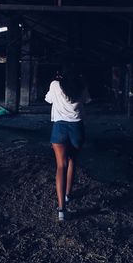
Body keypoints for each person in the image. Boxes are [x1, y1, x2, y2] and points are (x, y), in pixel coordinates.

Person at [45, 67, 91, 221]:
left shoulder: (55, 84)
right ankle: (67, 195)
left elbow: (48, 99)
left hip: (60, 128)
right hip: (77, 128)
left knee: (60, 166)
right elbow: (87, 101)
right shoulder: (81, 84)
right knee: (73, 161)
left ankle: (61, 211)